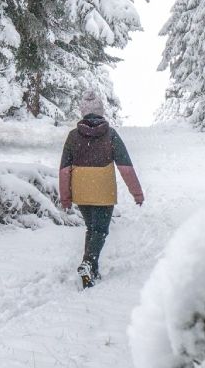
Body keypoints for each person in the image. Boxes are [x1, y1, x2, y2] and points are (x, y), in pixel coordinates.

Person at [58, 89, 144, 288]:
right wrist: (137, 193)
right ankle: (88, 263)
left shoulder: (73, 136)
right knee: (101, 230)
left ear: (83, 112)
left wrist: (66, 197)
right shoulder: (110, 135)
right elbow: (125, 167)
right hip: (103, 190)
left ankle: (91, 270)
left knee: (92, 228)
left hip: (82, 191)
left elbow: (64, 170)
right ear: (101, 111)